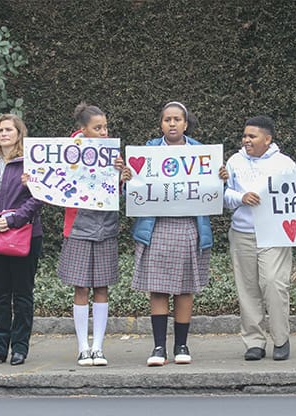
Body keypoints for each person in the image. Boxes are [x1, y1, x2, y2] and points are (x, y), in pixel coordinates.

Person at [123, 101, 228, 366]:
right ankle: (159, 347)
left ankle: (182, 345)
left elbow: (216, 193)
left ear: (185, 123)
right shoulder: (147, 153)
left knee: (184, 289)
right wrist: (125, 179)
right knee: (158, 289)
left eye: (177, 119)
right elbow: (132, 194)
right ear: (161, 124)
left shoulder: (202, 154)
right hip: (156, 228)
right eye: (167, 119)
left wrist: (221, 179)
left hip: (188, 227)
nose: (172, 123)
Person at [58, 103, 130, 366]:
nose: (103, 132)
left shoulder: (112, 153)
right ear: (83, 130)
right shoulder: (68, 152)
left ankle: (98, 347)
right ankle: (82, 347)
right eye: (97, 128)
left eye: (105, 127)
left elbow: (119, 192)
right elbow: (54, 179)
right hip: (78, 225)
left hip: (106, 226)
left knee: (102, 286)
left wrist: (122, 175)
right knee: (81, 287)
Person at [223, 116, 296, 361]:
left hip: (275, 234)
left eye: (252, 136)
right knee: (248, 289)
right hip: (242, 232)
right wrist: (240, 198)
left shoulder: (284, 164)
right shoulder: (234, 162)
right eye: (244, 136)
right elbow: (222, 194)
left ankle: (281, 339)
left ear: (268, 139)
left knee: (274, 284)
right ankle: (254, 342)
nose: (246, 140)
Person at [0, 114, 43, 366]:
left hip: (25, 235)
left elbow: (38, 197)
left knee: (22, 293)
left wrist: (13, 219)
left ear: (19, 133)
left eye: (9, 130)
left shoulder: (30, 162)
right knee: (0, 294)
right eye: (0, 130)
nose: (4, 134)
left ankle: (20, 347)